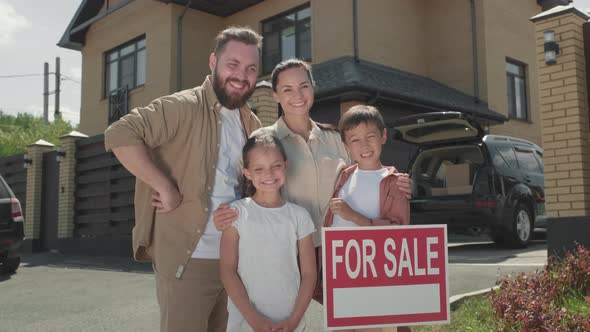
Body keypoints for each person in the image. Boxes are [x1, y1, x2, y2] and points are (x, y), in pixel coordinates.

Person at [104, 26, 263, 332]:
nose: (242, 75)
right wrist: (164, 185)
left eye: (251, 68)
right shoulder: (183, 106)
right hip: (189, 261)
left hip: (234, 261)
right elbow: (119, 134)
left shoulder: (251, 122)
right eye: (233, 65)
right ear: (213, 62)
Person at [214, 59, 412, 245]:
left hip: (338, 248)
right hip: (288, 247)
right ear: (275, 95)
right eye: (287, 89)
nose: (298, 95)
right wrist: (227, 213)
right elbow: (244, 191)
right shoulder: (263, 141)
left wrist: (397, 184)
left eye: (304, 86)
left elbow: (366, 175)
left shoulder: (336, 139)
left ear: (313, 87)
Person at [324, 105, 410, 332]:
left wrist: (354, 216)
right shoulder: (344, 176)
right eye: (355, 140)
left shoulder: (395, 182)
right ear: (346, 146)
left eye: (370, 136)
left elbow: (398, 233)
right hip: (343, 277)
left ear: (383, 136)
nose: (364, 145)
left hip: (376, 278)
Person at [220, 133, 316, 332]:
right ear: (246, 172)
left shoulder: (300, 216)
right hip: (245, 324)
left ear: (285, 165)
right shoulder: (235, 213)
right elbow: (228, 270)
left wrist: (293, 321)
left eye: (276, 166)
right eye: (259, 169)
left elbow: (309, 274)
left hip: (290, 322)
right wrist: (255, 321)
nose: (269, 174)